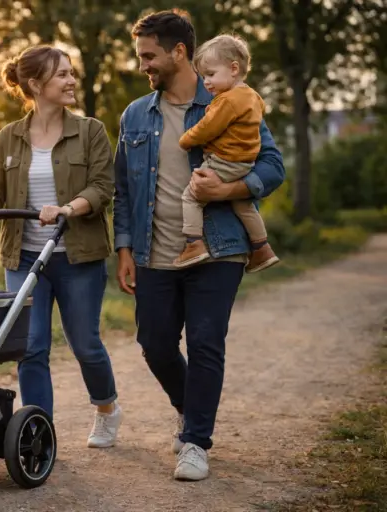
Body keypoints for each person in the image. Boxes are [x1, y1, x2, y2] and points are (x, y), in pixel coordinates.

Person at [112, 10, 285, 480]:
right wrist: (124, 248)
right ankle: (191, 410)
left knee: (207, 342)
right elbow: (123, 190)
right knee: (156, 344)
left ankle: (195, 442)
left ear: (179, 52)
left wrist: (227, 191)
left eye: (149, 55)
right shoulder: (134, 115)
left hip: (219, 247)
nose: (143, 65)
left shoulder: (230, 100)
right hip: (155, 252)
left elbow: (272, 166)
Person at [0, 44, 122, 448]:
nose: (72, 81)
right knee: (30, 348)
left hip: (77, 256)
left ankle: (106, 408)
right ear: (35, 84)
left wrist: (69, 207)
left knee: (85, 345)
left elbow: (103, 187)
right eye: (62, 75)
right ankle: (40, 435)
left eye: (72, 73)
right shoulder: (9, 137)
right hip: (24, 257)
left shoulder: (90, 130)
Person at [175, 34, 280, 273]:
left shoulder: (226, 101)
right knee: (244, 205)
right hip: (245, 164)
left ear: (234, 69)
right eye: (203, 76)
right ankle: (262, 248)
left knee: (191, 197)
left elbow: (206, 129)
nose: (206, 82)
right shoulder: (253, 97)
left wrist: (185, 140)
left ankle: (194, 244)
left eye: (210, 75)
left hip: (224, 161)